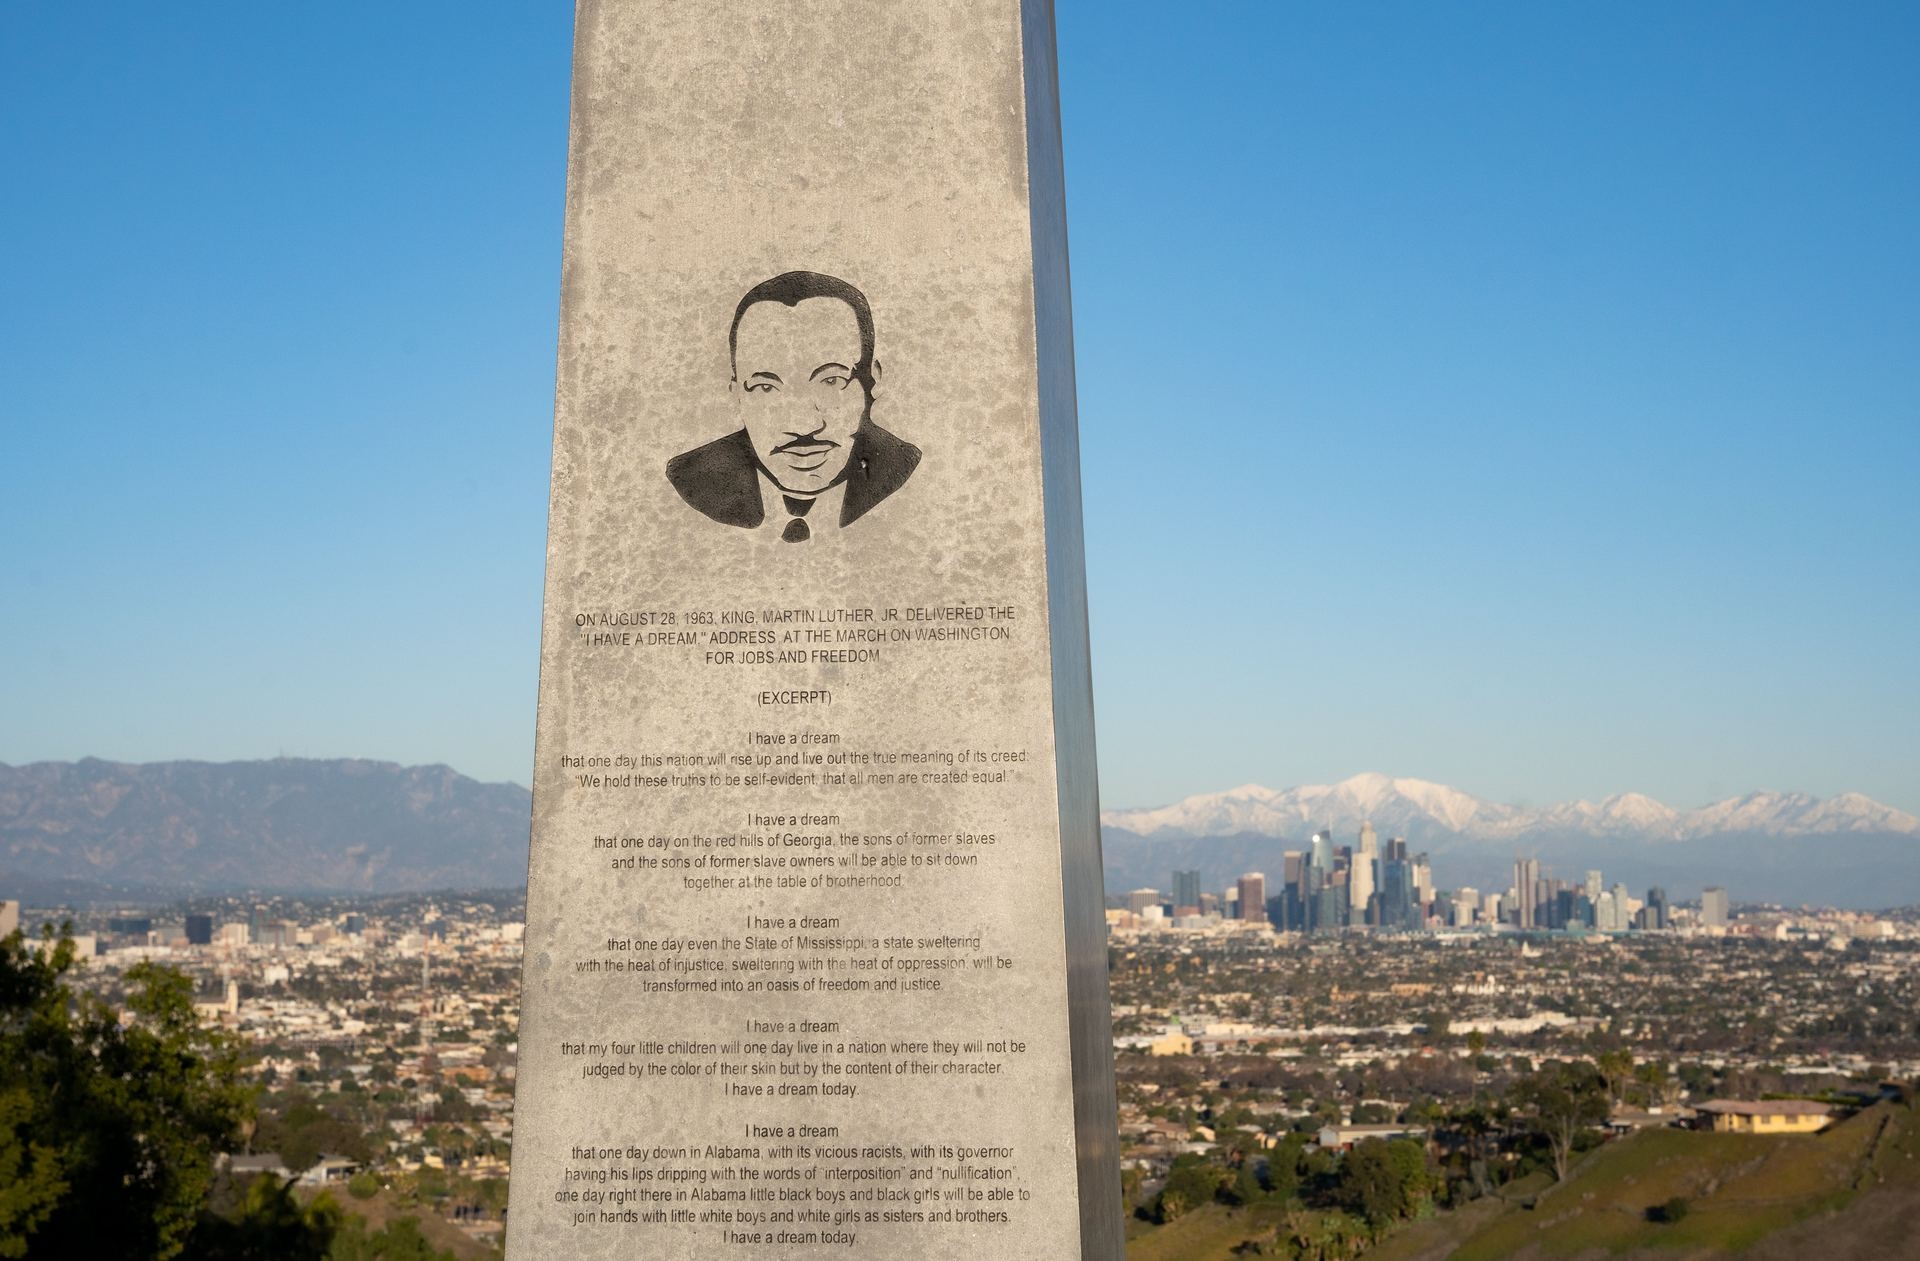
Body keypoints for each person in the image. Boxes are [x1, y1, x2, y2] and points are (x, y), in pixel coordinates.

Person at [666, 271, 921, 541]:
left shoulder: (905, 476)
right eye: (766, 388)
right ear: (736, 394)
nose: (804, 425)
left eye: (831, 381)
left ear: (874, 381)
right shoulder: (693, 478)